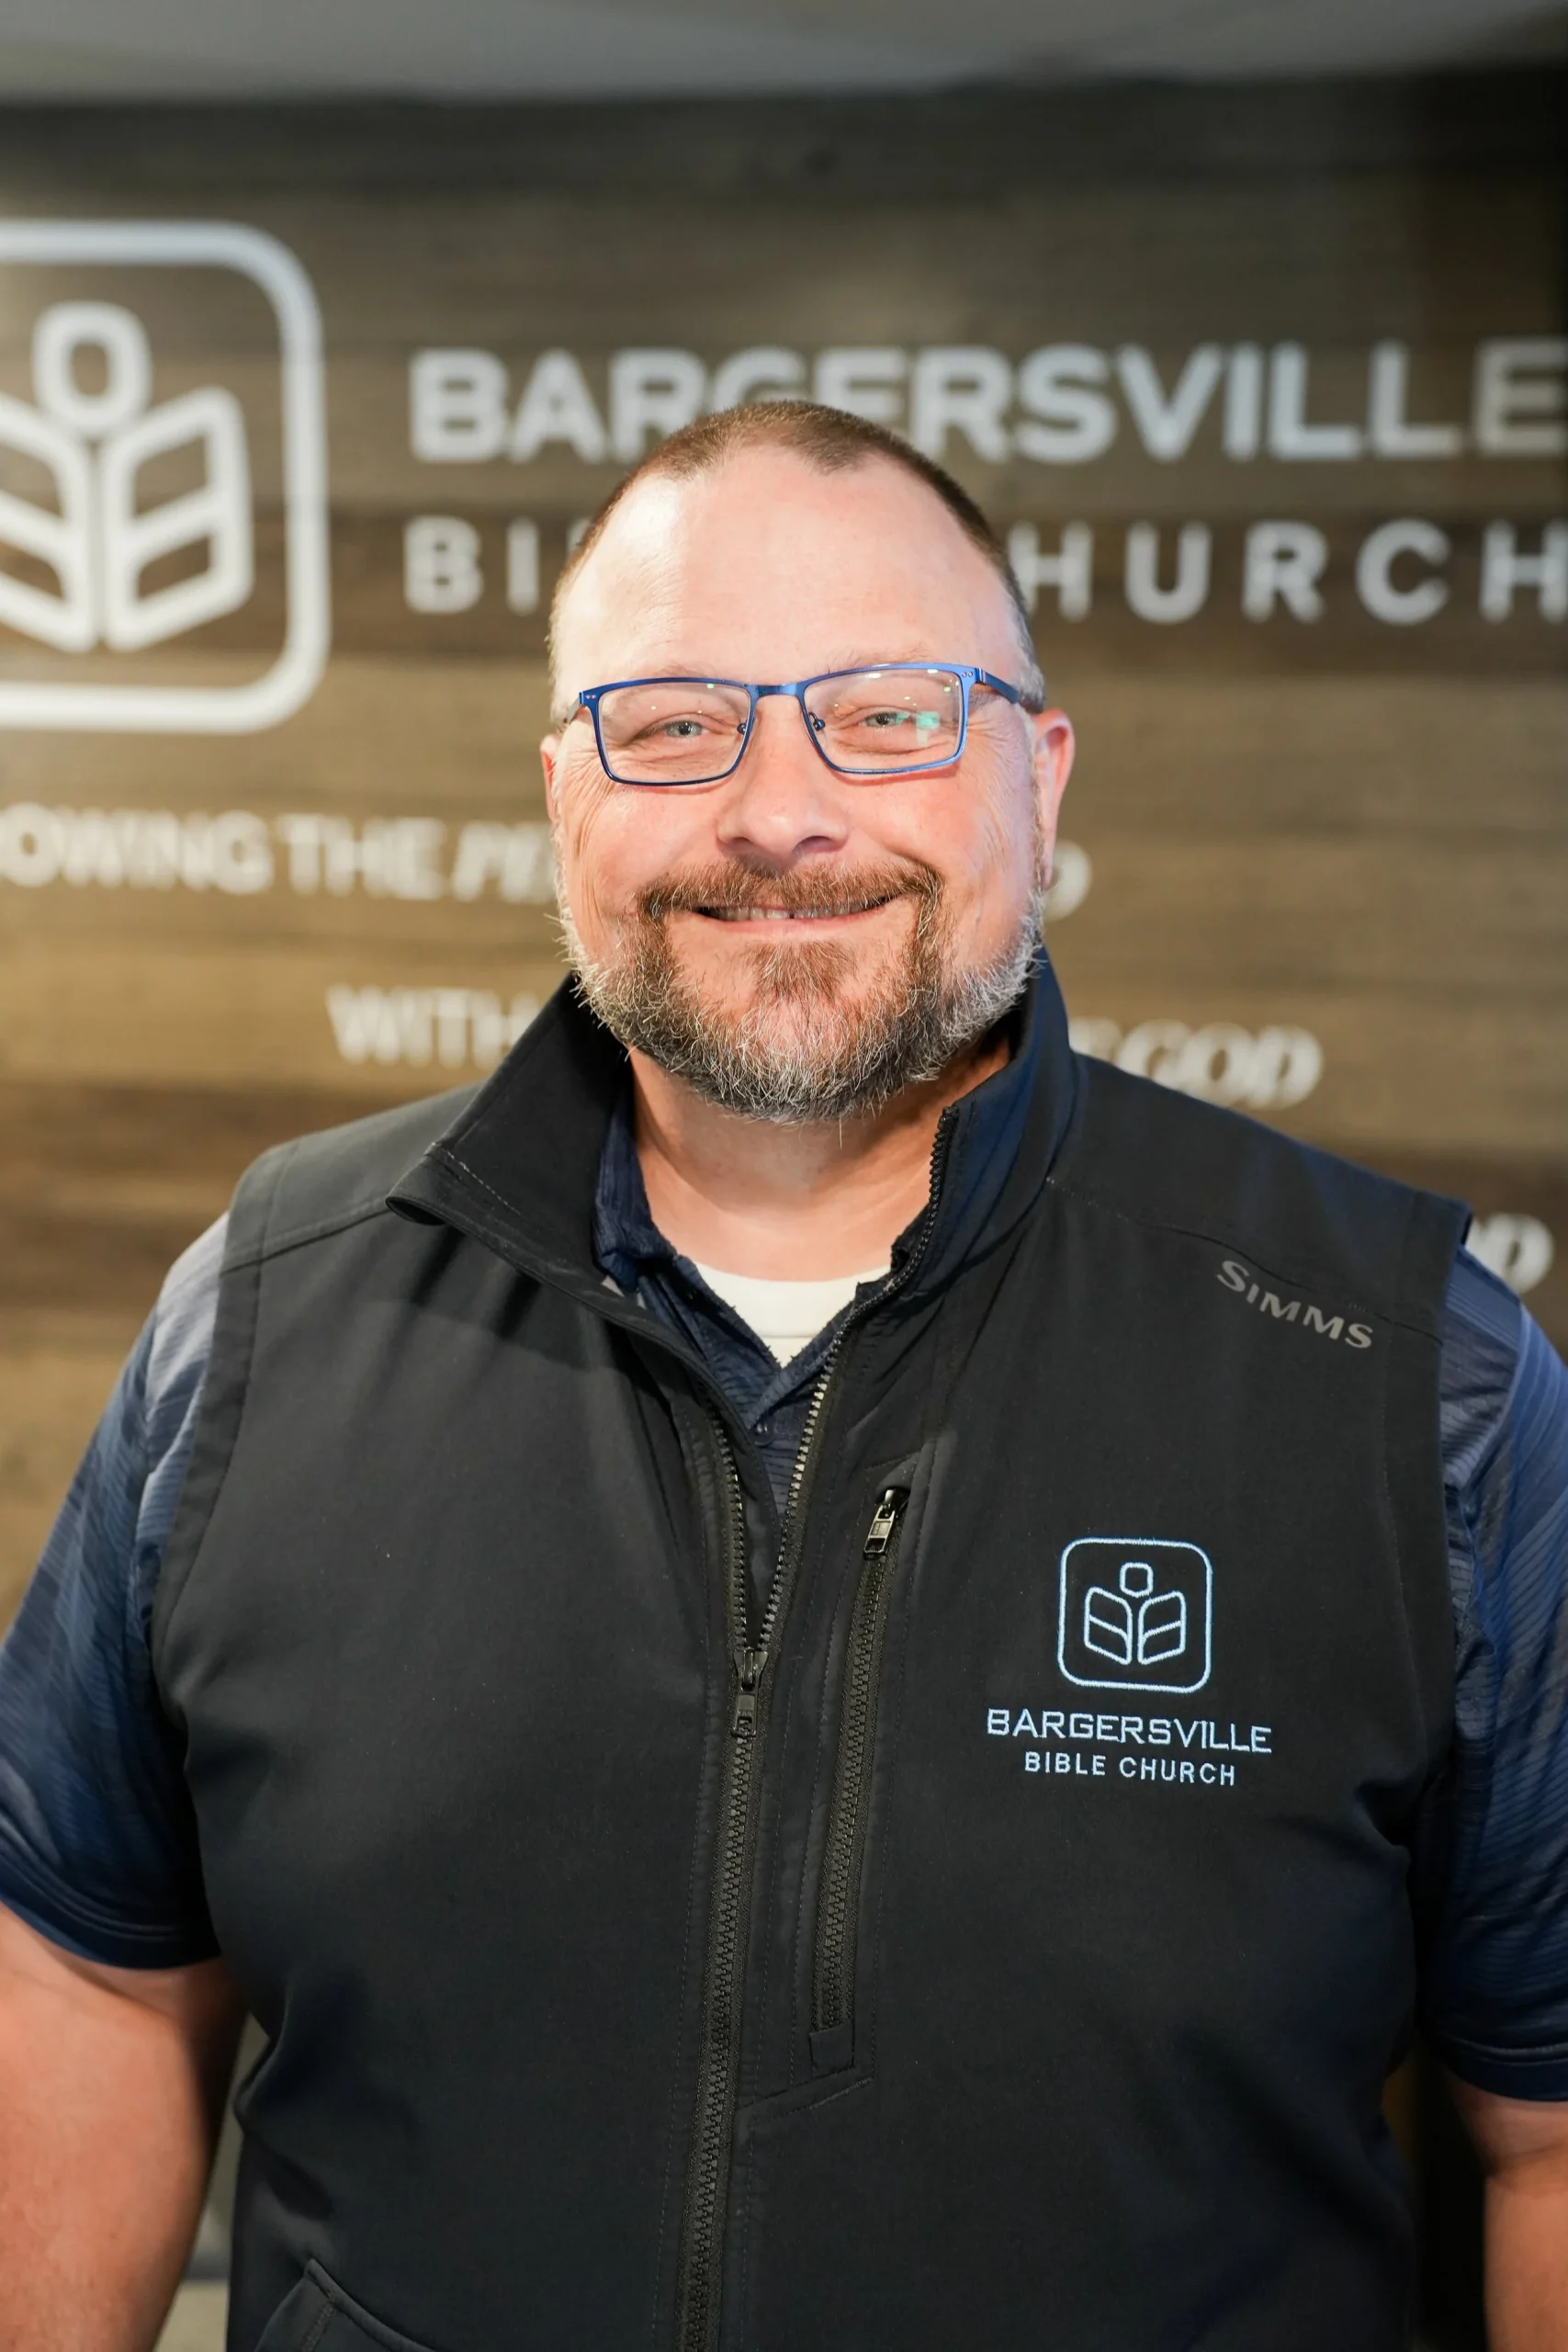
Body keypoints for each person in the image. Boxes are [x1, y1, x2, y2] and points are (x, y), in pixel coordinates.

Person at [1, 402, 1565, 2352]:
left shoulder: (1416, 1376)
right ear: (561, 788)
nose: (778, 807)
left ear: (1041, 776)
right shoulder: (258, 1315)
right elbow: (90, 1968)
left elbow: (1544, 2128)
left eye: (890, 710)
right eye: (672, 720)